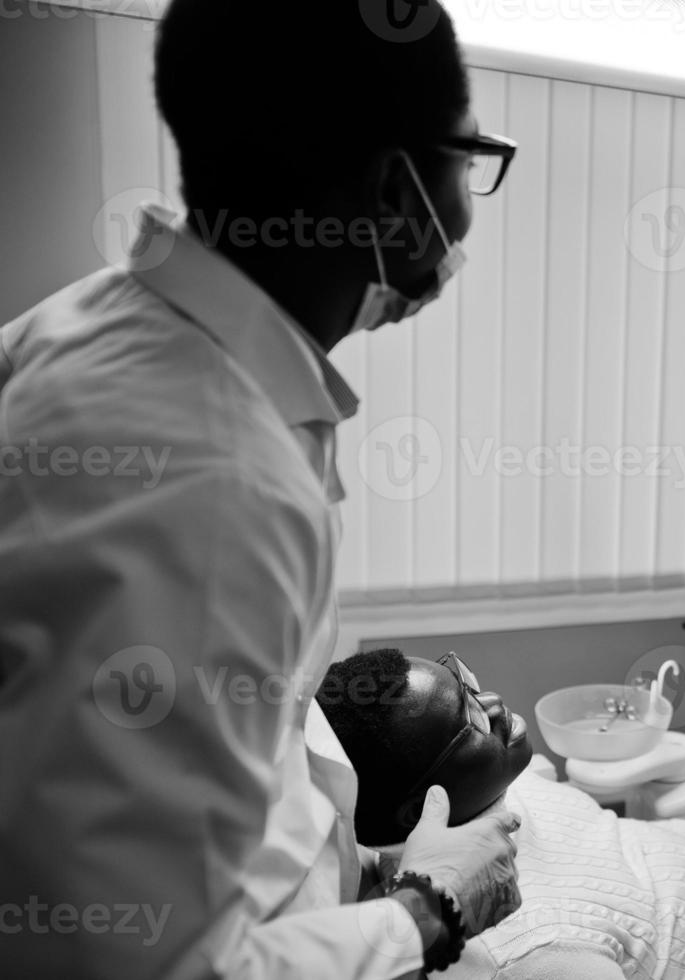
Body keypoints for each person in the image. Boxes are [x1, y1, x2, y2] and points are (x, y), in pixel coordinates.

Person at [0, 1, 524, 976]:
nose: (468, 198)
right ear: (393, 189)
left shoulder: (73, 333)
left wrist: (357, 872)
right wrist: (430, 905)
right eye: (468, 155)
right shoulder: (212, 482)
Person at [316, 648, 685, 980]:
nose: (495, 703)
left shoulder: (485, 792)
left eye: (463, 679)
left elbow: (608, 839)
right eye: (470, 720)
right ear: (420, 810)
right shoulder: (527, 957)